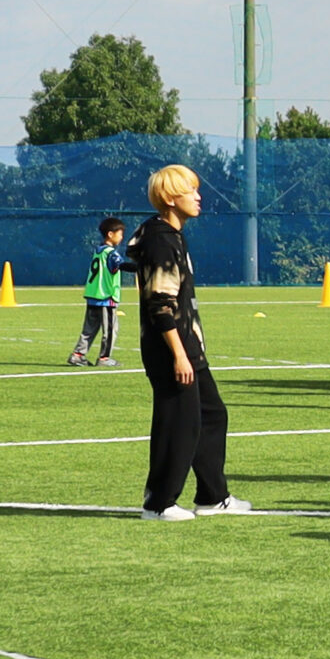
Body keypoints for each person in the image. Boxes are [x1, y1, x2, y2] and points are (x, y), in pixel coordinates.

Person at [128, 165, 248, 521]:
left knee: (212, 415)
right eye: (190, 191)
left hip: (188, 345)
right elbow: (160, 305)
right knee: (178, 423)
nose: (199, 197)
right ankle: (159, 503)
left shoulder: (169, 235)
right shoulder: (161, 240)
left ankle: (213, 496)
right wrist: (179, 355)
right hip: (171, 348)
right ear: (169, 198)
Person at [67, 215, 129, 367]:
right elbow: (121, 266)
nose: (122, 237)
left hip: (93, 296)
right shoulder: (111, 253)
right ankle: (104, 358)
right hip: (105, 297)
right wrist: (142, 267)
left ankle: (77, 355)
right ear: (110, 234)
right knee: (110, 329)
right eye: (120, 234)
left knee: (89, 328)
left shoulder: (99, 251)